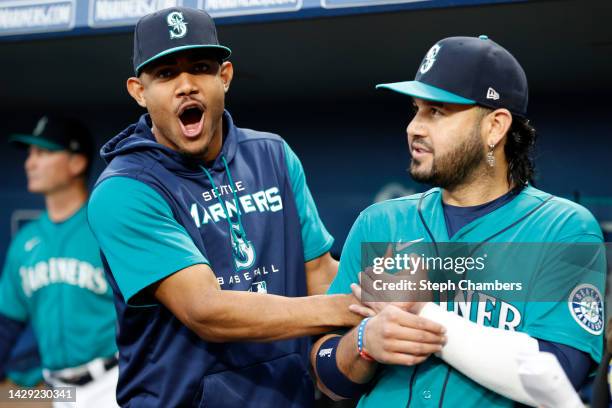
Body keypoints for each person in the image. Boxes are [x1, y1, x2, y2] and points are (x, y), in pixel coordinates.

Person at [86, 6, 363, 407]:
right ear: (138, 91)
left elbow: (320, 272)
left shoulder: (274, 155)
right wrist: (343, 310)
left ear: (225, 77)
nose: (186, 86)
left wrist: (380, 296)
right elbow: (205, 310)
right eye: (165, 74)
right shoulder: (124, 189)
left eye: (200, 67)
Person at [311, 35, 605, 407]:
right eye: (416, 110)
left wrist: (420, 312)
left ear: (495, 127)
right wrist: (363, 343)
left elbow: (557, 376)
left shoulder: (563, 228)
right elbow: (327, 375)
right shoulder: (379, 223)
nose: (414, 127)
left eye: (436, 111)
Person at [0, 115, 119, 407]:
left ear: (76, 163)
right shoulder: (25, 242)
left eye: (43, 153)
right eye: (30, 154)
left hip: (112, 381)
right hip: (57, 390)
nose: (30, 163)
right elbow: (6, 324)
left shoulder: (107, 229)